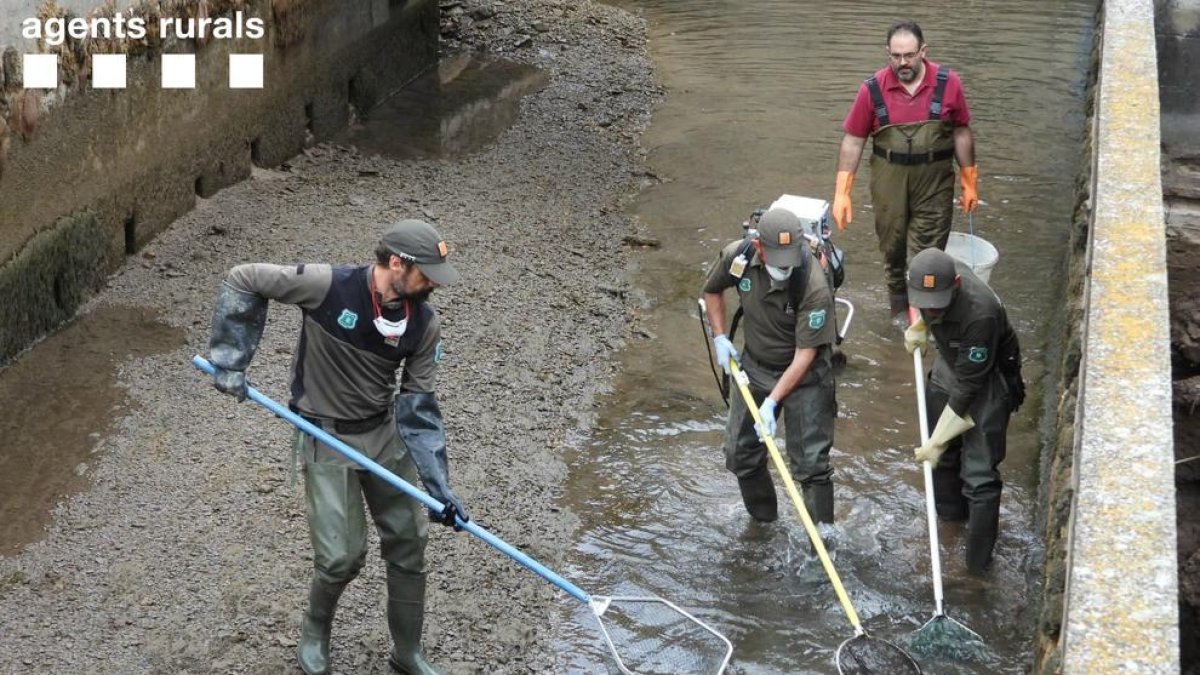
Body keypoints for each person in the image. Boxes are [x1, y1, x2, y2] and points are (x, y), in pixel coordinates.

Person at [207, 219, 469, 675]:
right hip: (326, 435)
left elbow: (419, 409)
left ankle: (407, 653)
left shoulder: (424, 323)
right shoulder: (327, 286)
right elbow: (243, 278)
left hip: (385, 435)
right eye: (426, 274)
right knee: (342, 556)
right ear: (395, 262)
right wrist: (230, 360)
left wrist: (439, 488)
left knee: (409, 541)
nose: (432, 285)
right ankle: (313, 634)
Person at [831, 20, 978, 317]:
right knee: (893, 251)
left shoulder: (948, 83)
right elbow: (853, 140)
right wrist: (842, 192)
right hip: (889, 181)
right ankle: (898, 315)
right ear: (888, 53)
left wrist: (969, 178)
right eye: (896, 56)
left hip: (934, 181)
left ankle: (923, 320)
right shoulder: (871, 89)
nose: (903, 63)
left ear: (923, 51)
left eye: (909, 55)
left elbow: (961, 131)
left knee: (927, 255)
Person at [701, 208, 839, 524]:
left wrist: (773, 402)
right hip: (755, 366)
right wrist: (720, 338)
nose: (785, 267)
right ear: (760, 248)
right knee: (740, 454)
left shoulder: (813, 284)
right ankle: (764, 525)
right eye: (778, 259)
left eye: (790, 259)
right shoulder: (739, 258)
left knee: (811, 466)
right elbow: (711, 291)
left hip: (806, 377)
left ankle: (821, 543)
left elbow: (806, 354)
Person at [904, 248, 1024, 574]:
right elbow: (918, 297)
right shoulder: (926, 275)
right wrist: (919, 326)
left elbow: (969, 388)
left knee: (980, 477)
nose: (930, 308)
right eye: (924, 302)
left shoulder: (980, 312)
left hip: (986, 379)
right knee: (943, 462)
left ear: (955, 284)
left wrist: (936, 441)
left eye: (936, 303)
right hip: (949, 362)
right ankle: (950, 527)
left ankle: (976, 570)